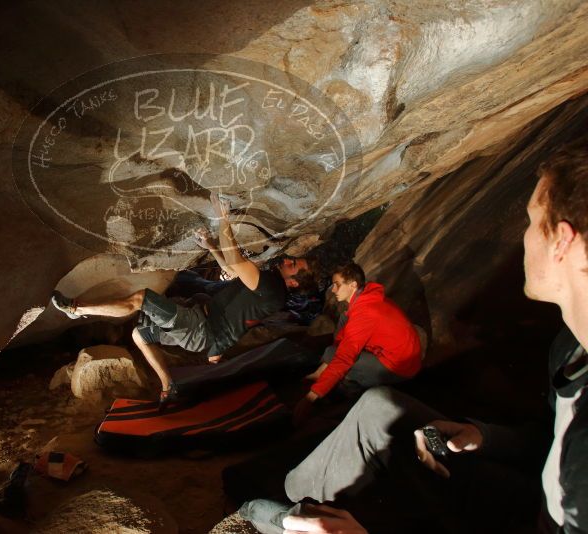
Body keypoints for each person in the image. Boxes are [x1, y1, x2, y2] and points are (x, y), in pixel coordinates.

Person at [240, 141, 588, 533]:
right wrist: (481, 436)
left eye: (529, 222)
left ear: (562, 240)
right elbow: (548, 440)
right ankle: (285, 499)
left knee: (354, 382)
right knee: (379, 407)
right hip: (529, 493)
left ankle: (277, 510)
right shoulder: (571, 350)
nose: (523, 237)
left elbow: (347, 352)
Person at [52, 193, 320, 405]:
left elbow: (236, 260)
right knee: (140, 335)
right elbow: (230, 270)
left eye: (295, 265)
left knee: (141, 299)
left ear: (294, 282)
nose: (289, 260)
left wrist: (223, 219)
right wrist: (211, 245)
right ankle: (168, 386)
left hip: (198, 327)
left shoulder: (272, 288)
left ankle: (76, 307)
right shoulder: (270, 288)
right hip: (202, 330)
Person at [294, 263, 422, 424]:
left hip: (399, 366)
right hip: (392, 351)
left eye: (337, 285)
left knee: (344, 367)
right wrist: (321, 371)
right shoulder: (364, 297)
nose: (333, 290)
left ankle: (351, 397)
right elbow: (341, 342)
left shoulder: (366, 312)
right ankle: (327, 377)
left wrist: (311, 397)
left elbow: (344, 358)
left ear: (353, 284)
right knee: (340, 330)